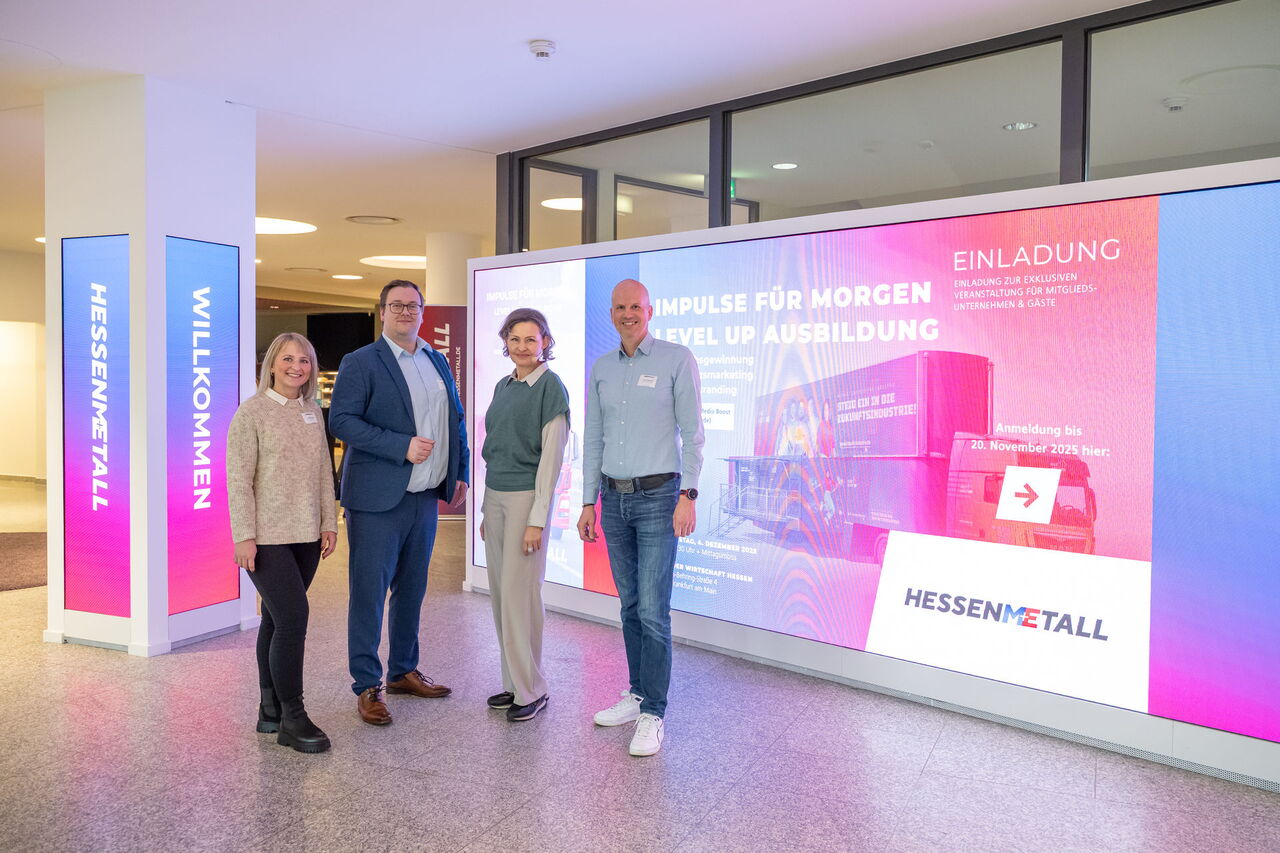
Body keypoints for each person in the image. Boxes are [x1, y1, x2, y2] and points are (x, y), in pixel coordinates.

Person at [329, 279, 469, 726]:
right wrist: (400, 445)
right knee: (369, 594)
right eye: (397, 305)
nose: (405, 311)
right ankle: (366, 685)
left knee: (412, 589)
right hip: (376, 500)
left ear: (422, 312)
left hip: (424, 497)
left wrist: (460, 470)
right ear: (382, 312)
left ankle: (403, 670)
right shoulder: (360, 361)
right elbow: (342, 420)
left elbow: (455, 418)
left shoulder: (436, 359)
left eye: (413, 305)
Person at [577, 278, 704, 756]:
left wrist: (688, 495)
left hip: (659, 498)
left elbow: (694, 434)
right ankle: (636, 694)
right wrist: (587, 501)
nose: (628, 314)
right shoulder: (602, 368)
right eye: (620, 308)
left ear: (650, 311)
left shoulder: (676, 359)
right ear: (611, 314)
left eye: (636, 306)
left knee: (653, 610)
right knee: (630, 606)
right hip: (613, 501)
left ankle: (654, 710)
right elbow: (594, 438)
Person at [226, 332, 337, 754]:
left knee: (275, 619)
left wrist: (329, 522)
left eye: (304, 360)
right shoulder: (251, 413)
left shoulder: (312, 412)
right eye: (287, 359)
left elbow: (324, 472)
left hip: (306, 535)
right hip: (267, 538)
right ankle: (293, 716)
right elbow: (238, 481)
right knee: (293, 619)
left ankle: (269, 709)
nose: (296, 367)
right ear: (271, 365)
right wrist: (244, 536)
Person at [479, 308, 570, 722]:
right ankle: (515, 683)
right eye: (514, 339)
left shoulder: (550, 387)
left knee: (521, 597)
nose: (521, 347)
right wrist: (486, 510)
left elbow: (550, 462)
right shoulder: (504, 385)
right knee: (502, 595)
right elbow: (496, 450)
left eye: (530, 339)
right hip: (496, 497)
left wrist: (537, 519)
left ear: (544, 342)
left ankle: (533, 689)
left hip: (524, 501)